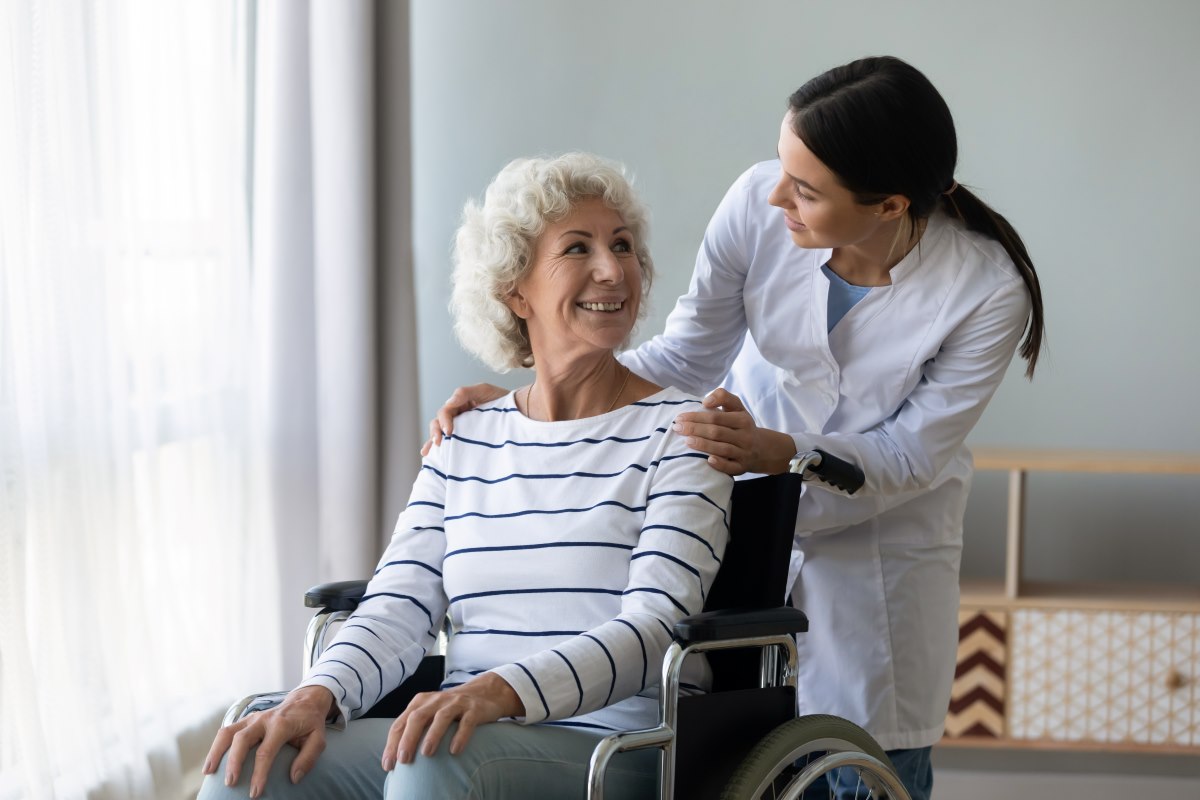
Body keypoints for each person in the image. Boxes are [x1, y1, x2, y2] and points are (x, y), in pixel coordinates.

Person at [425, 56, 1045, 800]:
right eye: (784, 167)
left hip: (876, 570)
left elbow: (910, 456)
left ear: (888, 206)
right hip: (737, 525)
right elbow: (687, 355)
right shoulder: (758, 202)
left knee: (858, 767)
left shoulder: (984, 289)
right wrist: (546, 389)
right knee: (737, 759)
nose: (776, 192)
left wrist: (783, 453)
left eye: (807, 191)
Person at [199, 152, 733, 800]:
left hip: (619, 744)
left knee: (434, 762)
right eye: (578, 248)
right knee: (260, 761)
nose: (612, 268)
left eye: (622, 245)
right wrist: (318, 693)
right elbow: (398, 605)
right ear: (516, 290)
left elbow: (656, 625)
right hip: (466, 734)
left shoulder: (684, 431)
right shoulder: (468, 435)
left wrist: (502, 691)